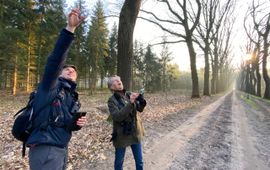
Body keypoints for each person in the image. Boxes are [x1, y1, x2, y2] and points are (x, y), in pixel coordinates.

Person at [25, 9, 87, 170]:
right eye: (66, 69)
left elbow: (63, 123)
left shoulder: (71, 96)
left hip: (61, 148)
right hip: (45, 149)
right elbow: (56, 59)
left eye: (73, 71)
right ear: (58, 73)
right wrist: (70, 29)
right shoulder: (50, 87)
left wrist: (75, 124)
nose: (70, 70)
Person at [107, 75, 147, 170]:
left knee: (139, 161)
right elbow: (117, 116)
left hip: (135, 132)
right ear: (111, 87)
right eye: (115, 81)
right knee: (119, 162)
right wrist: (131, 103)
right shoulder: (111, 100)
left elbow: (139, 109)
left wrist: (141, 100)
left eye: (119, 79)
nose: (119, 81)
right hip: (121, 135)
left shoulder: (128, 94)